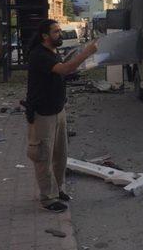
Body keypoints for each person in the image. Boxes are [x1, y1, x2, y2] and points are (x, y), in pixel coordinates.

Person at [25, 19, 97, 213]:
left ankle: (57, 189)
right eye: (56, 32)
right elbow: (64, 69)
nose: (60, 34)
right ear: (44, 36)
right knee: (43, 156)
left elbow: (61, 73)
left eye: (59, 31)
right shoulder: (39, 55)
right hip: (43, 114)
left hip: (58, 110)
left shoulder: (52, 52)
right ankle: (48, 198)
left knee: (60, 154)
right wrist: (86, 53)